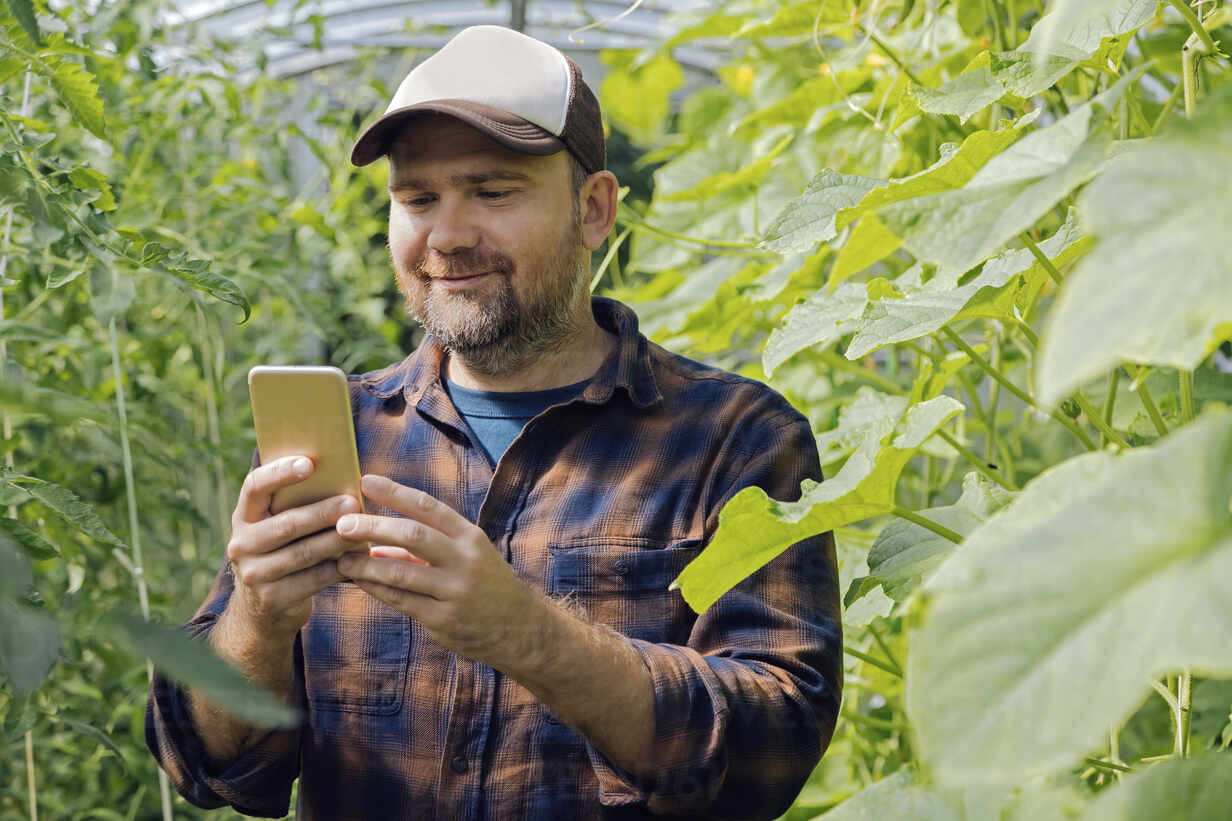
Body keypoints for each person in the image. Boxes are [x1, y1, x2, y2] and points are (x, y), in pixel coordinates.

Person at [146, 24, 842, 820]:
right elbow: (199, 761)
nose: (446, 235)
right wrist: (259, 620)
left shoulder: (737, 441)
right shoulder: (344, 436)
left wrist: (529, 634)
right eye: (418, 199)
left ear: (593, 208)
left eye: (492, 190)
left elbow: (776, 743)